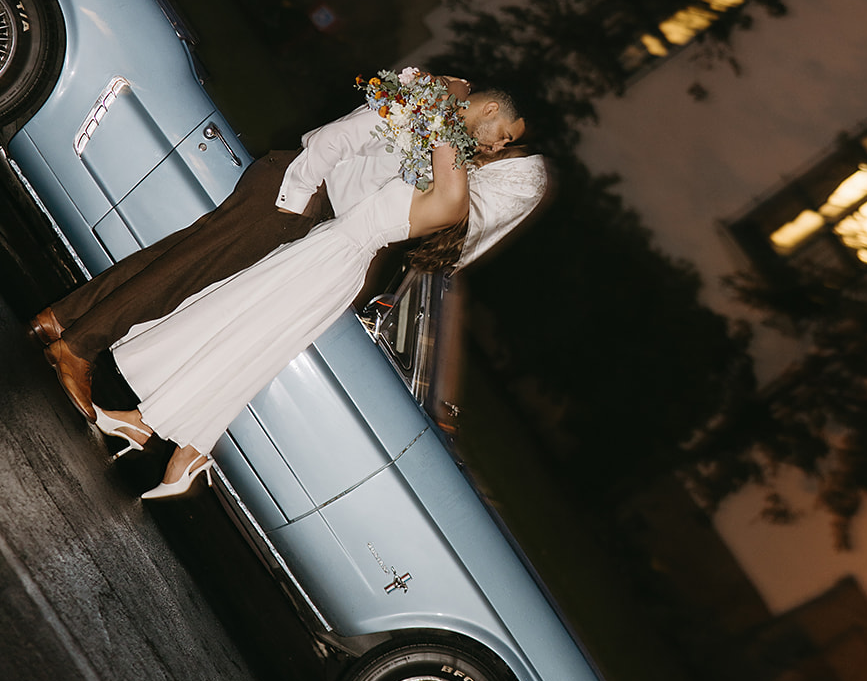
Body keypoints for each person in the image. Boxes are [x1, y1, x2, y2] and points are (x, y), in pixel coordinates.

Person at [33, 80, 525, 420]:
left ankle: (62, 316)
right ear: (488, 110)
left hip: (302, 204)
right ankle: (77, 348)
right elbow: (337, 137)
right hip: (292, 195)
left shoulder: (439, 123)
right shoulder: (423, 101)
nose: (499, 147)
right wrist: (295, 199)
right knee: (179, 279)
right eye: (504, 136)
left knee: (172, 259)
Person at [91, 145, 547, 498]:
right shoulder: (447, 184)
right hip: (328, 252)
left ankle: (161, 433)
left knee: (241, 337)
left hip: (331, 259)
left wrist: (445, 101)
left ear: (504, 174)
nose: (488, 150)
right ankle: (171, 440)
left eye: (502, 150)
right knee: (236, 331)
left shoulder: (452, 195)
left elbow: (448, 120)